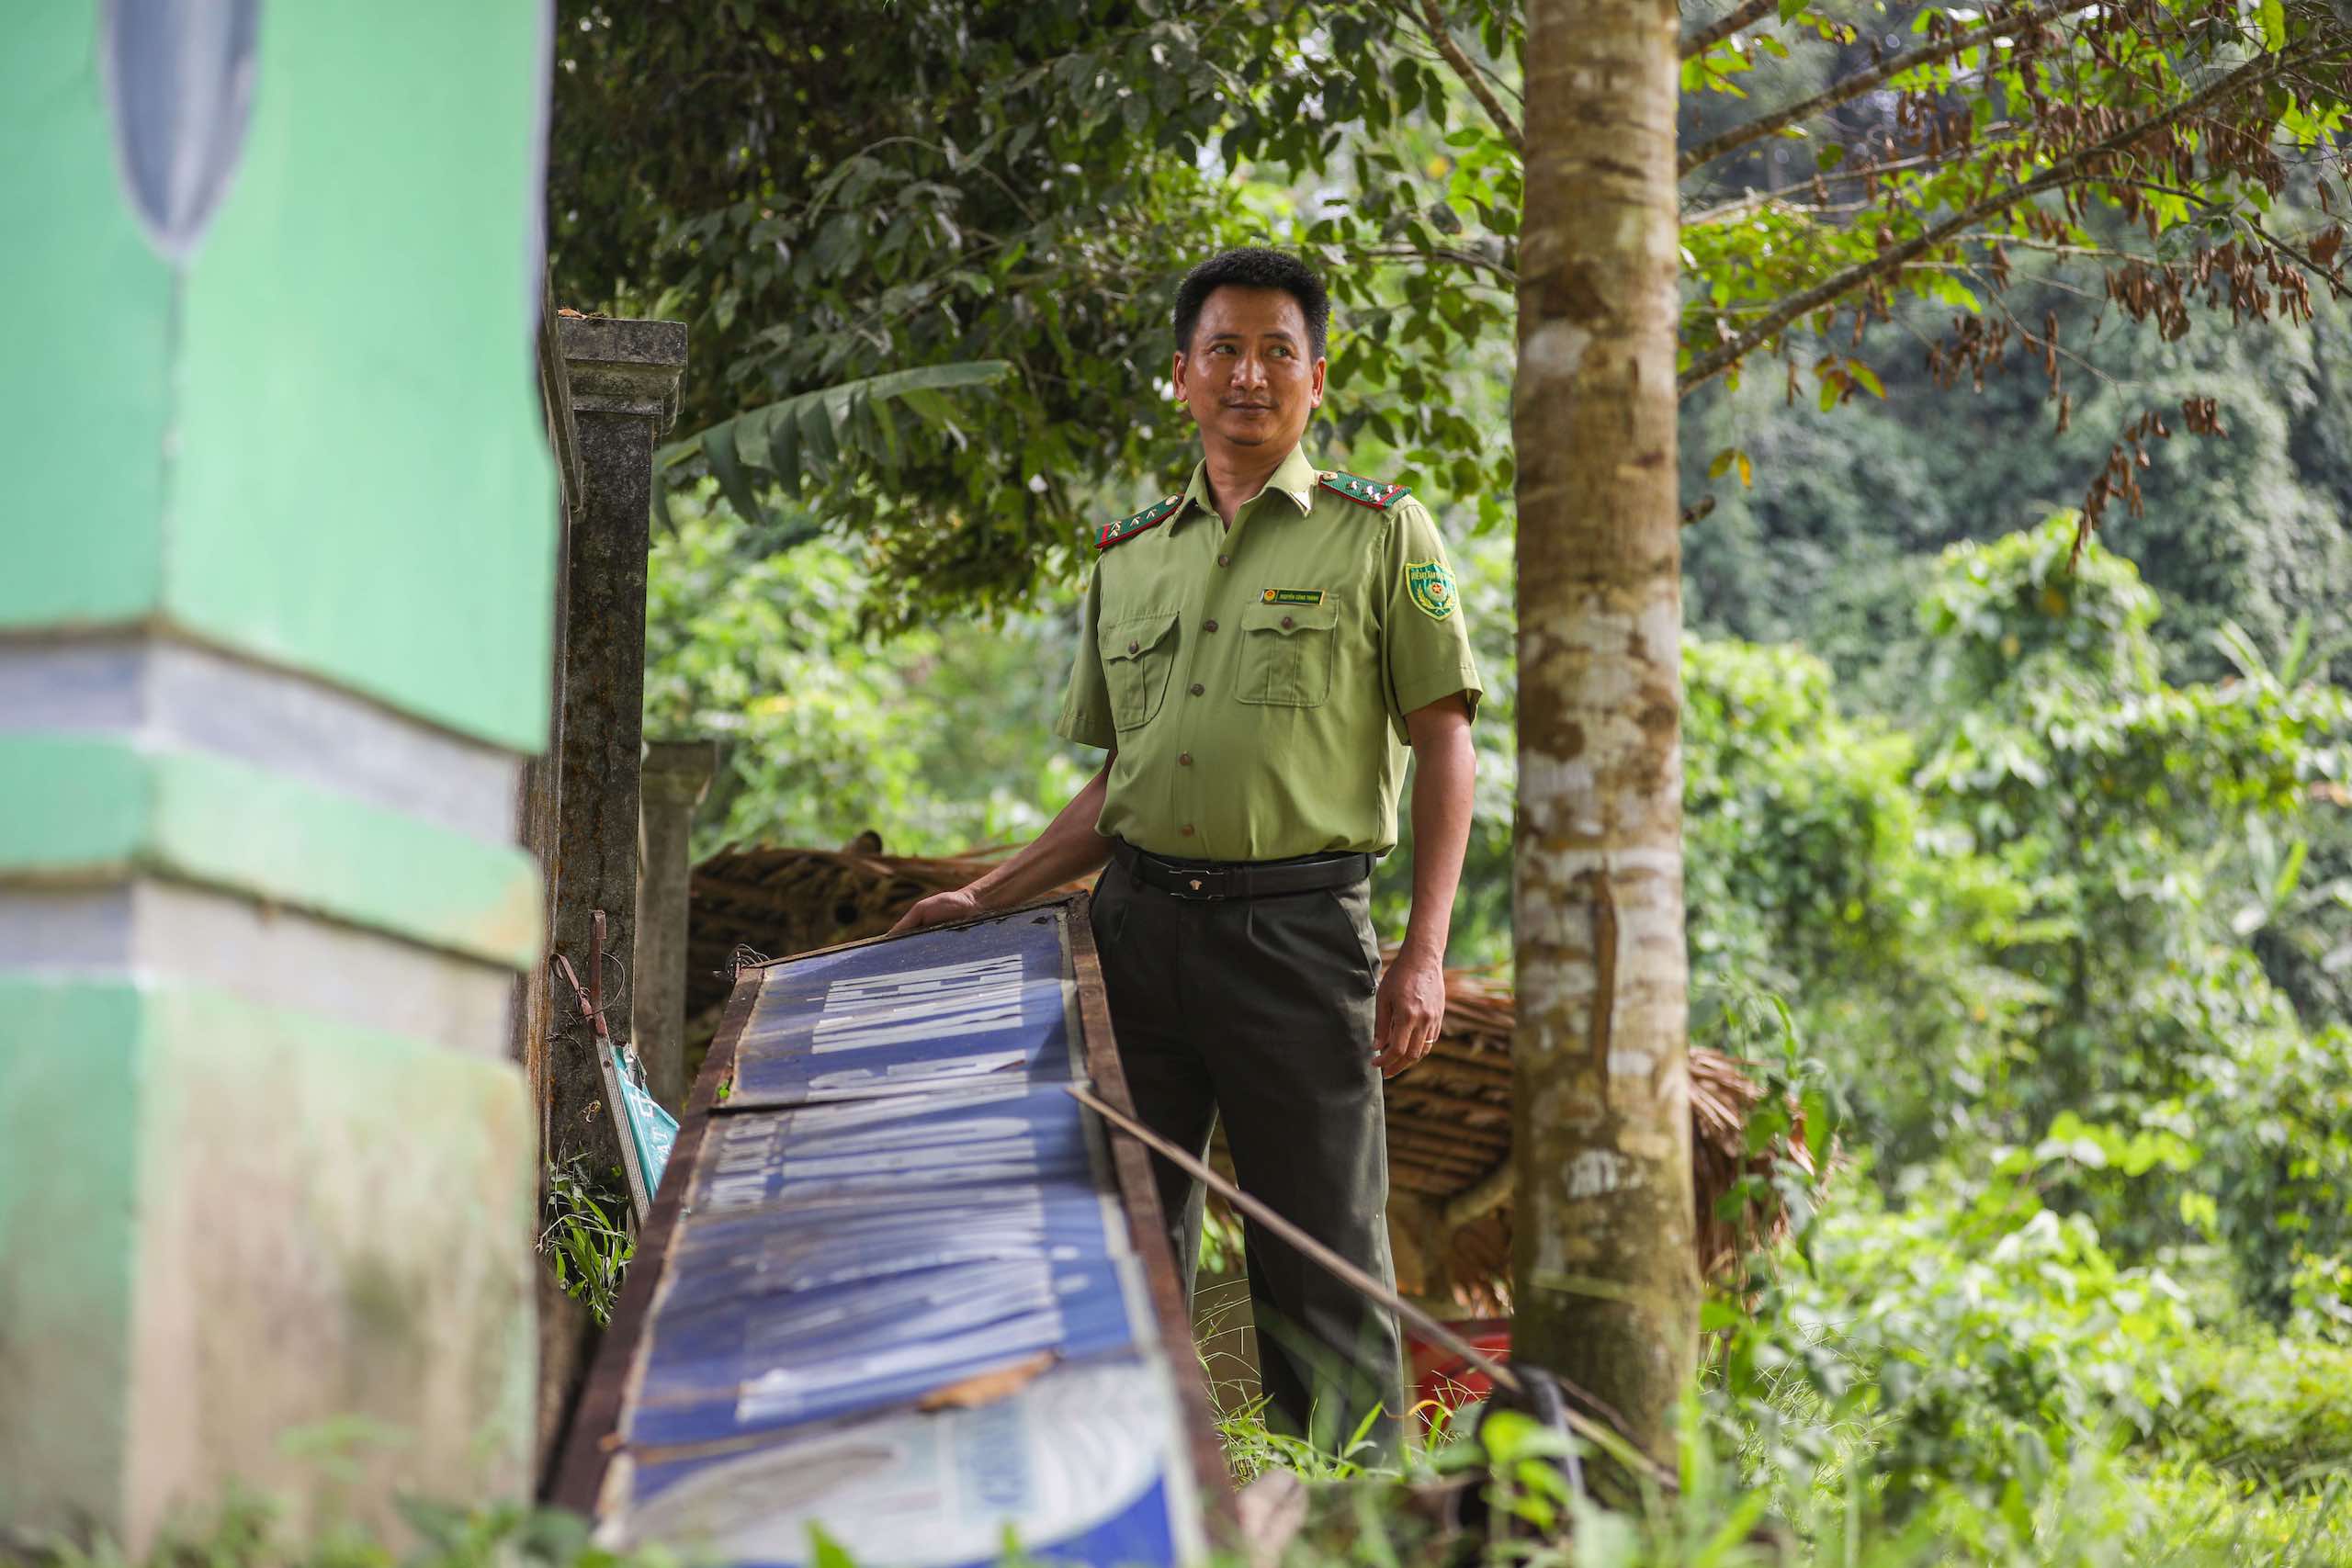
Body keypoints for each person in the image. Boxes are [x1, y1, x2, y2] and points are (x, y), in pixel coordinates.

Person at [891, 246, 1480, 1450]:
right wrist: (988, 892)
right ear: (1181, 375)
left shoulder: (1382, 537)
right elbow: (1121, 783)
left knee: (1320, 1258)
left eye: (1277, 352)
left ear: (1319, 377)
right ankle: (1124, 1495)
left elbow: (1446, 743)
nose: (1249, 375)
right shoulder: (1128, 560)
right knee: (1119, 1241)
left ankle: (1341, 1520)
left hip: (1300, 938)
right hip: (1136, 933)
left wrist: (1423, 953)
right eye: (1224, 349)